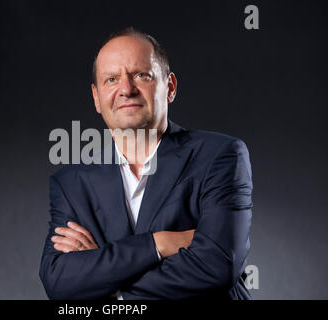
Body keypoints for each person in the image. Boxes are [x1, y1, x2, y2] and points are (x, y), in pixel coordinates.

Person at [39, 27, 253, 300]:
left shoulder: (220, 156)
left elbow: (217, 265)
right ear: (96, 98)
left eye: (141, 75)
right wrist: (159, 244)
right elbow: (60, 281)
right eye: (111, 79)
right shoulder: (71, 182)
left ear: (170, 87)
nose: (126, 89)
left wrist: (105, 284)